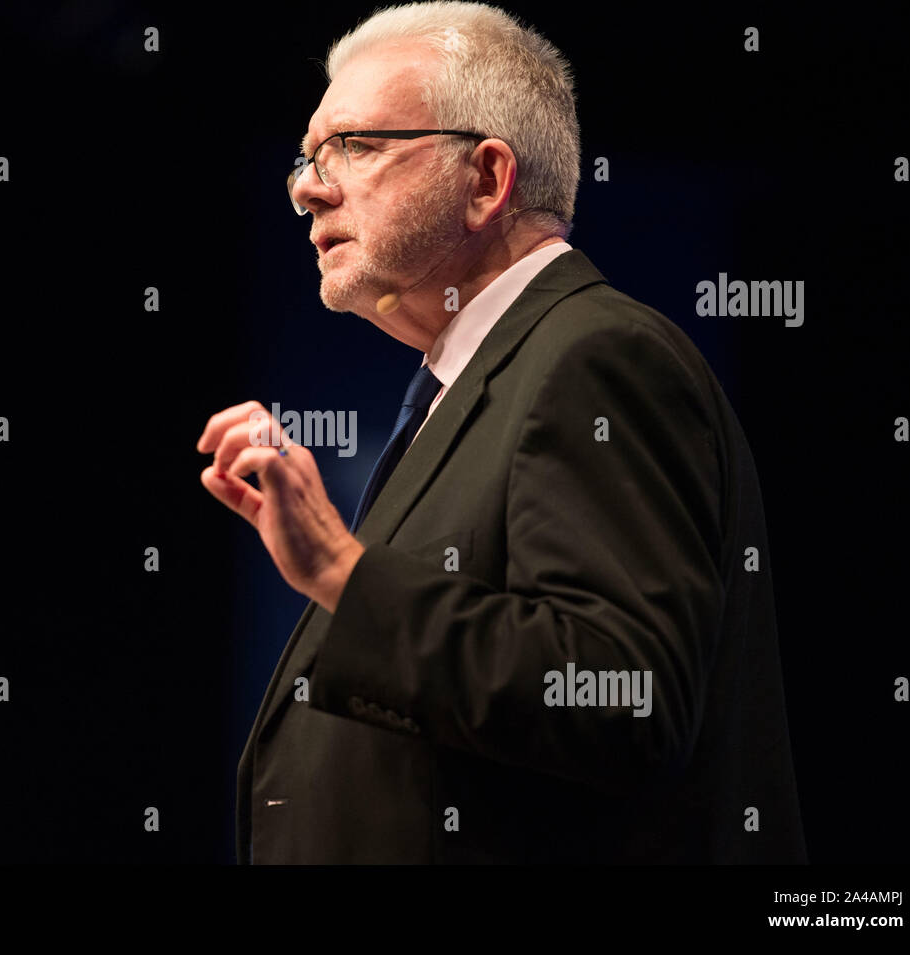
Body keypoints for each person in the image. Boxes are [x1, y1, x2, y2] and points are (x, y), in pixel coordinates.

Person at [196, 2, 806, 863]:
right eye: (306, 155)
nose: (306, 184)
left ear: (486, 179)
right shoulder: (468, 386)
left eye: (356, 146)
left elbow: (623, 699)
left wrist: (339, 568)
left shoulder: (598, 357)